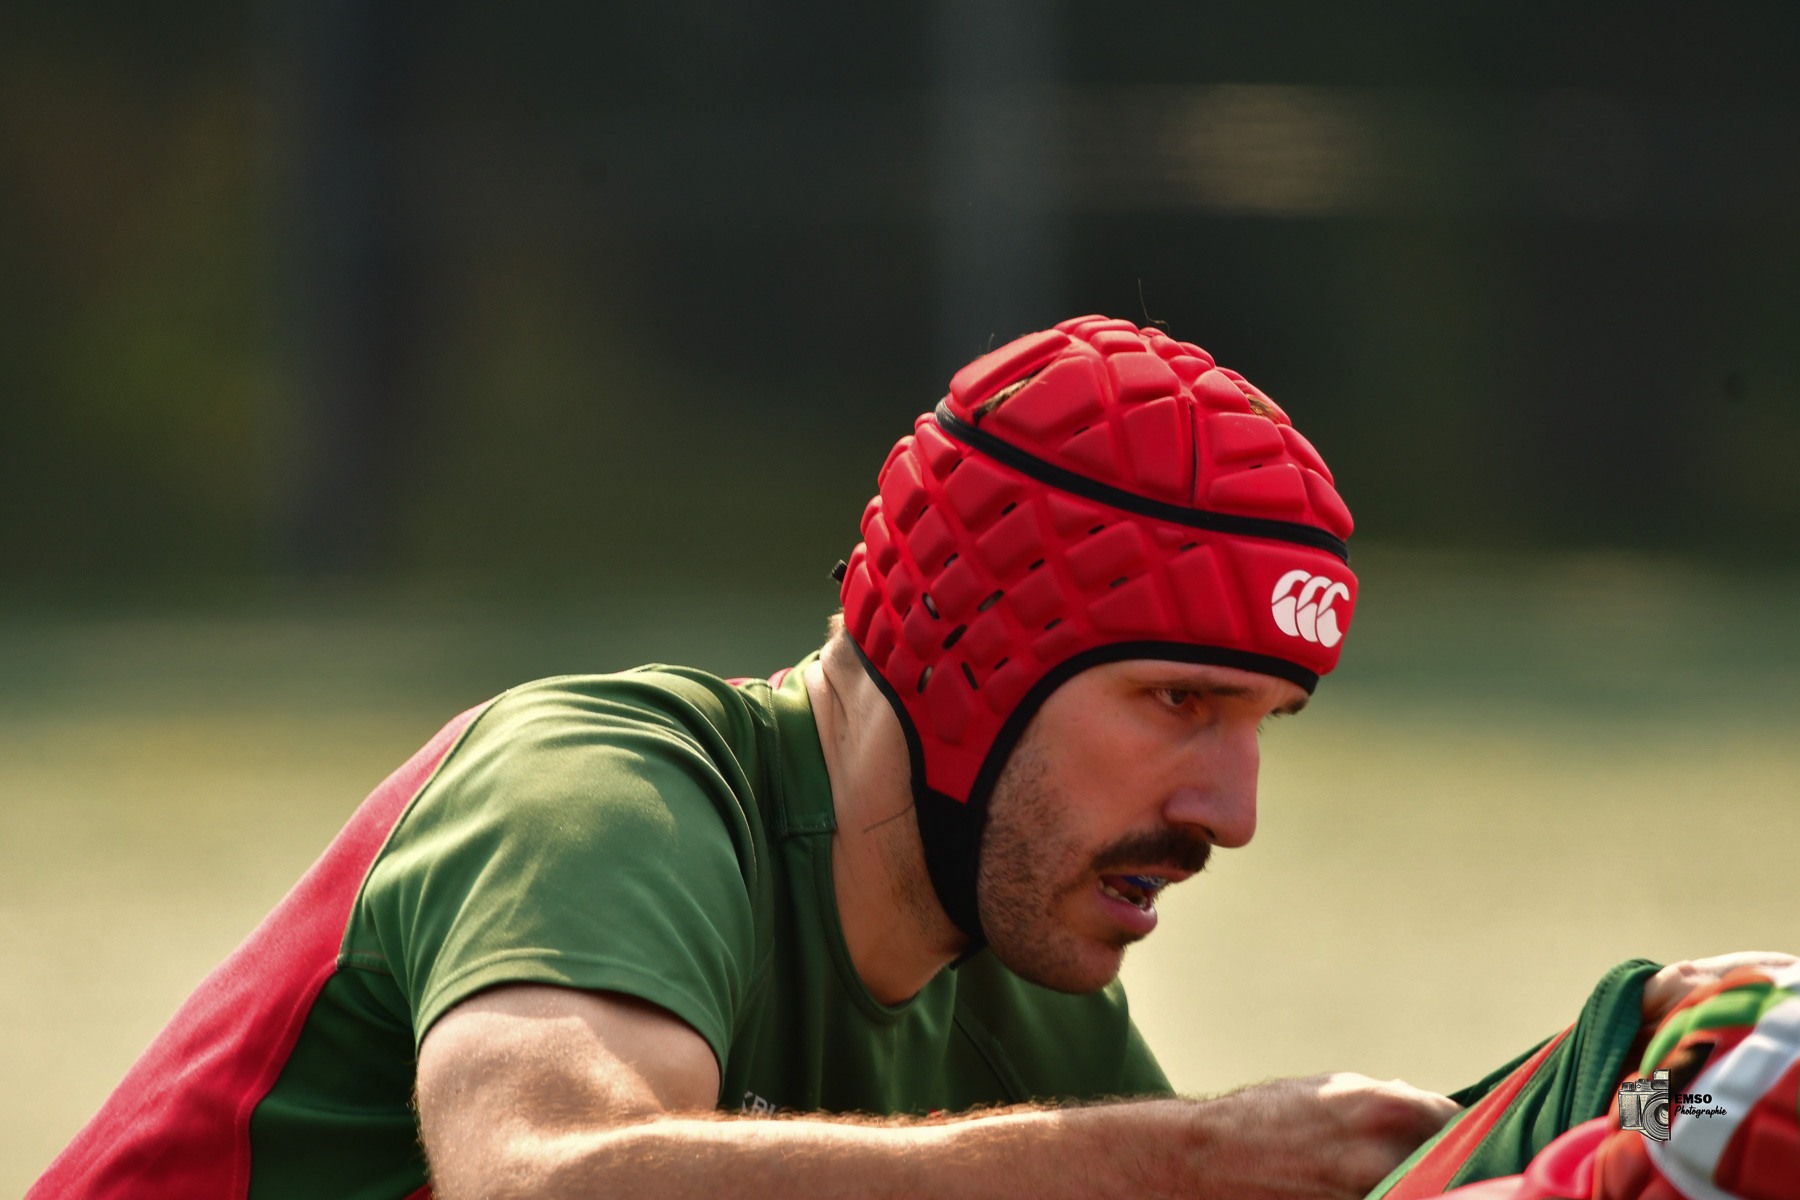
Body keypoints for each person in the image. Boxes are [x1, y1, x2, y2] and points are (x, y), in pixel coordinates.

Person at [30, 316, 1754, 1200]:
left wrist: (1642, 1076)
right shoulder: (606, 788)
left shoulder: (1027, 994)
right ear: (971, 658)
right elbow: (543, 1179)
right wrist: (1161, 1160)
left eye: (1265, 728)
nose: (1230, 812)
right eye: (1177, 705)